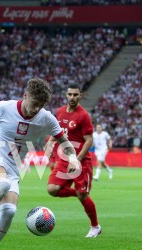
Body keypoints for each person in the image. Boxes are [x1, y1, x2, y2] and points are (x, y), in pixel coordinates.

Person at [0, 78, 79, 250]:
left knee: (9, 211)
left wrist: (72, 157)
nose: (35, 109)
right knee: (1, 184)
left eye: (40, 105)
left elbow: (64, 141)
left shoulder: (46, 118)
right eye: (34, 103)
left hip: (12, 167)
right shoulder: (3, 107)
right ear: (25, 95)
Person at [46, 84, 101, 238]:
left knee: (83, 197)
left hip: (81, 162)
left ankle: (95, 226)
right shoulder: (60, 112)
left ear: (80, 96)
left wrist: (76, 159)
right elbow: (57, 132)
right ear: (66, 94)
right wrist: (50, 142)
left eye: (75, 95)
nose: (72, 97)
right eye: (69, 94)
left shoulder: (83, 116)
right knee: (52, 189)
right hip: (64, 160)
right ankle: (79, 193)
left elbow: (89, 141)